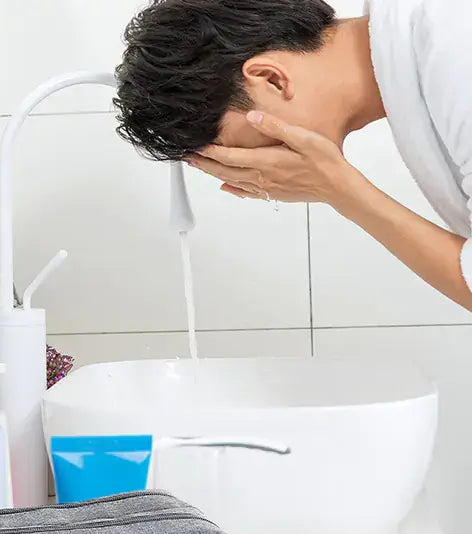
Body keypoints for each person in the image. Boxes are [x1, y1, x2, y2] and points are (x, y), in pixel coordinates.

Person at [114, 0, 472, 311]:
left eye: (239, 151)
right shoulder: (427, 44)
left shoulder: (452, 43)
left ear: (271, 79)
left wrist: (341, 190)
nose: (259, 170)